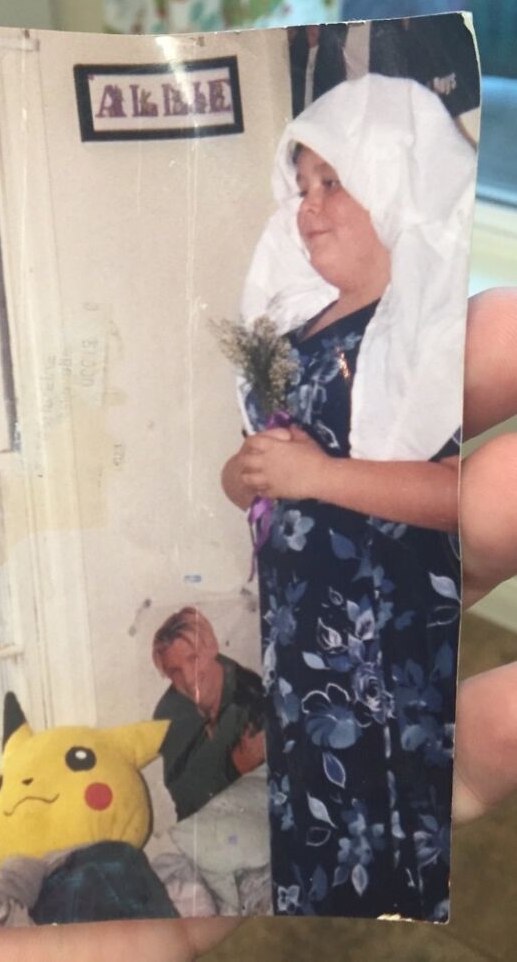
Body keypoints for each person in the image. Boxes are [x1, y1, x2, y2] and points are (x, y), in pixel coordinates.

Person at [0, 239, 517, 954]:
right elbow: (187, 790)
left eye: (186, 660)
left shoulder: (250, 678)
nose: (184, 677)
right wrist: (237, 762)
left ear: (209, 642)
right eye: (174, 672)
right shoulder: (172, 713)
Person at [221, 74, 479, 919]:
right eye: (301, 187)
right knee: (324, 857)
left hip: (392, 644)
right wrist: (246, 473)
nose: (307, 206)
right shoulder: (295, 328)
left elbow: (460, 495)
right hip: (304, 648)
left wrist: (316, 476)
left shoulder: (437, 328)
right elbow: (261, 468)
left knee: (398, 851)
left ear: (393, 181)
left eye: (332, 182)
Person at [152, 607, 265, 820]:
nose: (188, 678)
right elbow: (185, 799)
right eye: (175, 671)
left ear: (211, 648)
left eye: (192, 659)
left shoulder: (251, 692)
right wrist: (234, 767)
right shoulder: (167, 715)